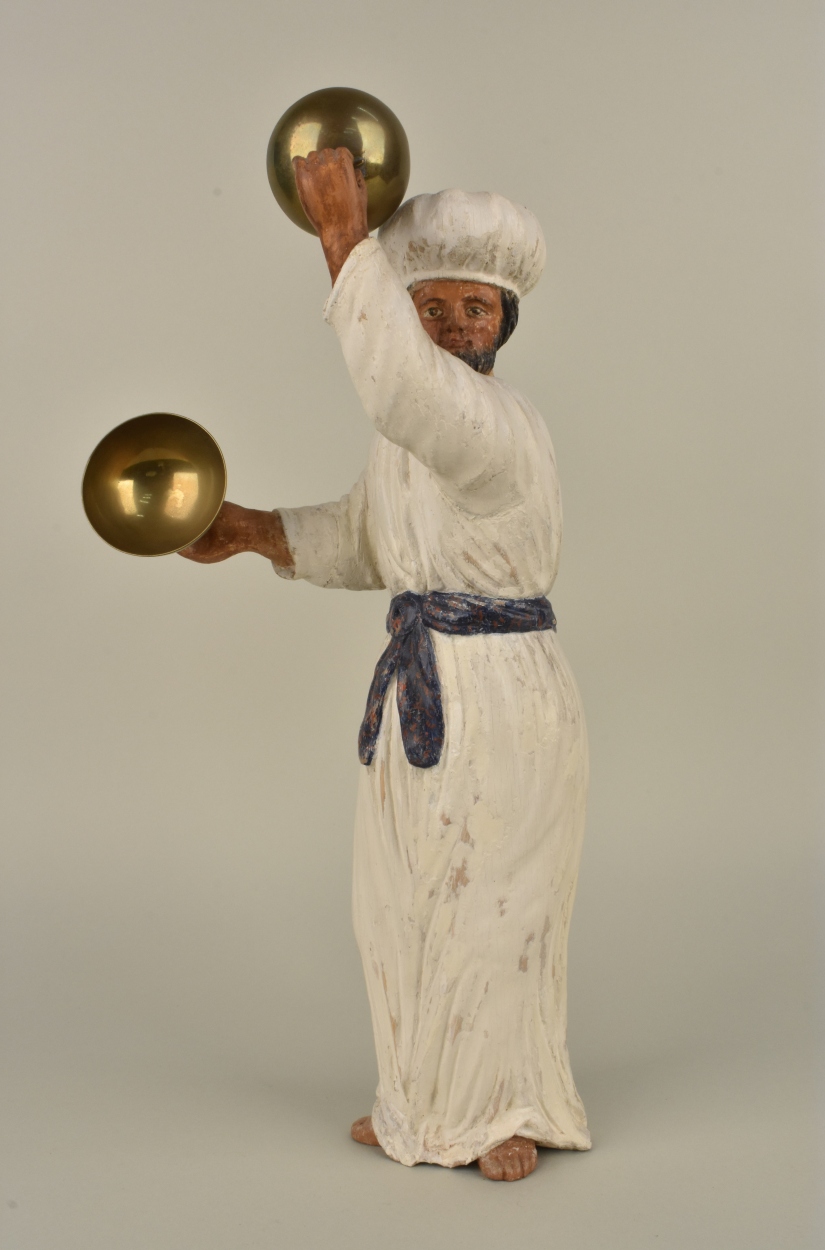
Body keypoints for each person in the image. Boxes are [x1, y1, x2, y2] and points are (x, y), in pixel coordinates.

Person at [180, 148, 590, 1182]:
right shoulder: (413, 442)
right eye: (429, 307)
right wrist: (253, 531)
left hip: (498, 694)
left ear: (503, 323)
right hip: (424, 681)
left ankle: (502, 1104)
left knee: (487, 901)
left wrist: (341, 241)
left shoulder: (489, 424)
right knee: (396, 899)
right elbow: (371, 542)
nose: (451, 327)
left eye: (473, 309)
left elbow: (400, 391)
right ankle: (419, 1100)